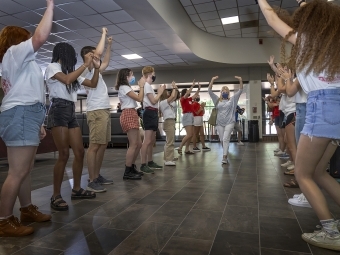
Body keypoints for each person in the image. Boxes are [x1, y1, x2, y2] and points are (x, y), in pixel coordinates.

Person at [259, 0, 340, 250]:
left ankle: (331, 233)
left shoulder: (308, 42)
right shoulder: (334, 45)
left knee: (303, 173)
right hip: (336, 107)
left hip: (321, 108)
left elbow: (272, 19)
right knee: (318, 172)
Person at [0, 0, 54, 237]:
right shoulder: (13, 53)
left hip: (28, 113)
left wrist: (40, 122)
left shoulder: (24, 62)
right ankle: (3, 220)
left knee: (25, 168)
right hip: (21, 113)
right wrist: (50, 5)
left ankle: (26, 209)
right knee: (17, 171)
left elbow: (32, 91)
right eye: (25, 37)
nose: (30, 40)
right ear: (17, 41)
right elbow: (41, 36)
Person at [46, 42, 101, 211]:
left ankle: (76, 189)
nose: (74, 57)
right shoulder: (52, 67)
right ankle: (55, 195)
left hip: (70, 110)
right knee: (63, 154)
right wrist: (85, 64)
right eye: (71, 54)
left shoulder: (72, 71)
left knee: (79, 151)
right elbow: (67, 80)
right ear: (63, 54)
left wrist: (96, 68)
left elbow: (92, 84)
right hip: (58, 109)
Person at [79, 28, 114, 193]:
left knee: (103, 144)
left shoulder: (96, 70)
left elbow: (104, 61)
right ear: (89, 57)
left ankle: (97, 176)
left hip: (104, 110)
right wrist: (103, 35)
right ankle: (91, 180)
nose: (97, 56)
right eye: (94, 55)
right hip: (96, 111)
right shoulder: (85, 70)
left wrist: (109, 45)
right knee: (94, 146)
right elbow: (98, 55)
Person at [208, 76, 243, 164]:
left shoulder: (233, 100)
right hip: (219, 123)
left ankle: (224, 157)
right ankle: (226, 152)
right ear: (221, 92)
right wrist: (212, 80)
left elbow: (240, 90)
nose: (225, 92)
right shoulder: (217, 100)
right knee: (222, 140)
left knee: (225, 138)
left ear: (228, 93)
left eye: (227, 91)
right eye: (223, 91)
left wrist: (240, 80)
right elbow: (209, 91)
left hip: (230, 122)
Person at [116, 68, 144, 180]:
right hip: (128, 113)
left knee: (139, 144)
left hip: (132, 113)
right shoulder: (124, 87)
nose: (133, 77)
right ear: (126, 76)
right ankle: (127, 170)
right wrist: (141, 86)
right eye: (131, 75)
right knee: (133, 144)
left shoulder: (126, 87)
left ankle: (131, 167)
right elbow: (139, 98)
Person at [139, 66, 165, 174]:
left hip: (153, 113)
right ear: (149, 74)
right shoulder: (147, 86)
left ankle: (150, 161)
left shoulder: (148, 86)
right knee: (147, 141)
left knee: (152, 141)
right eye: (153, 73)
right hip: (149, 113)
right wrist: (160, 92)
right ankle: (143, 164)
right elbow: (153, 101)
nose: (154, 75)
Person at [177, 80, 200, 155]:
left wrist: (199, 89)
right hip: (187, 116)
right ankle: (180, 147)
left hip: (191, 115)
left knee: (191, 134)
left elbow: (195, 95)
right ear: (184, 93)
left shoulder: (189, 99)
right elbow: (187, 94)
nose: (189, 92)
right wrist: (192, 86)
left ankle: (187, 149)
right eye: (187, 91)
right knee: (189, 134)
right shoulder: (182, 99)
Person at [159, 82, 179, 166]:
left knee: (169, 140)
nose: (168, 93)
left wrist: (176, 89)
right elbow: (173, 96)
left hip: (171, 121)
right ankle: (168, 160)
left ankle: (168, 157)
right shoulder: (163, 103)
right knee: (170, 142)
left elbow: (175, 96)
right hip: (169, 122)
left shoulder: (169, 103)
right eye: (167, 92)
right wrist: (174, 88)